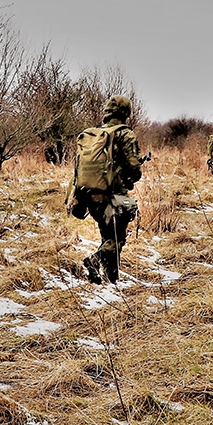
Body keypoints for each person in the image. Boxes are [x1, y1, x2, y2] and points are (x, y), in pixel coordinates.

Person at [71, 95, 143, 284]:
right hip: (111, 195)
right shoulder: (125, 134)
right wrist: (132, 176)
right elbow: (134, 169)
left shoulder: (92, 134)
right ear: (126, 113)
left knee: (107, 236)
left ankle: (111, 280)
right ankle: (94, 261)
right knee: (117, 239)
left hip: (89, 194)